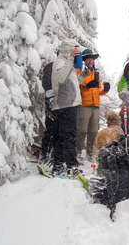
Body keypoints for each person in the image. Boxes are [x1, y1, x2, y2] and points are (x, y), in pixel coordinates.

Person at [51, 39, 87, 176]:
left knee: (63, 136)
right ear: (68, 50)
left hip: (68, 103)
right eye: (75, 52)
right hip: (65, 104)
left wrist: (81, 77)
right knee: (69, 136)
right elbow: (60, 79)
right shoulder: (60, 62)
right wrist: (71, 58)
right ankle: (71, 166)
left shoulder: (68, 65)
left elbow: (70, 84)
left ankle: (58, 165)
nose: (77, 56)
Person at [76, 49, 110, 161]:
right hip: (83, 105)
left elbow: (98, 90)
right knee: (82, 130)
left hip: (95, 106)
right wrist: (87, 86)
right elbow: (76, 86)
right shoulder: (80, 71)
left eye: (92, 59)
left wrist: (105, 90)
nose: (90, 61)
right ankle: (77, 152)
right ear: (84, 60)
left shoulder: (96, 73)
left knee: (93, 131)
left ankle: (90, 154)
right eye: (88, 58)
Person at [38, 62, 58, 166]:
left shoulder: (69, 68)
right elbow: (46, 81)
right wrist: (50, 94)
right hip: (52, 101)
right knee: (51, 129)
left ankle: (55, 156)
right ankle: (44, 154)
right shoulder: (51, 66)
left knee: (61, 131)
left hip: (64, 103)